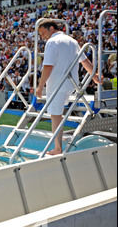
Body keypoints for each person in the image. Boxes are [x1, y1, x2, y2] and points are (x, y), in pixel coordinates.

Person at [36, 19, 102, 155]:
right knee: (59, 114)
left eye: (43, 33)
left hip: (56, 84)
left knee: (55, 116)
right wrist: (94, 76)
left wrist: (40, 86)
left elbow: (48, 66)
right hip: (70, 84)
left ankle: (58, 148)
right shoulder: (73, 41)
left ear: (52, 29)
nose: (42, 37)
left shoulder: (52, 42)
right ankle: (59, 139)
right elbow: (85, 61)